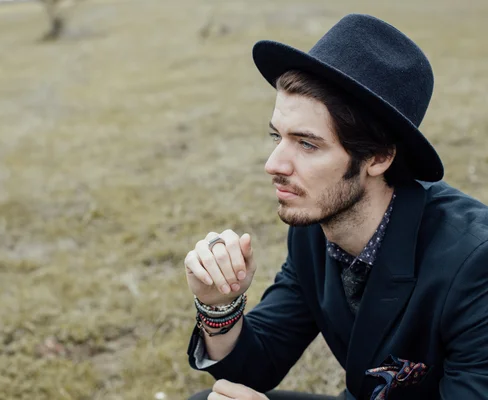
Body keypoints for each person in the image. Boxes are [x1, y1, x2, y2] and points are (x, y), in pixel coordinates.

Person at [183, 13, 488, 400]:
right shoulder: (315, 228)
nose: (273, 164)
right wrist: (219, 306)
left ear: (378, 157)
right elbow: (257, 365)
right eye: (277, 136)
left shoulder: (475, 263)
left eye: (307, 144)